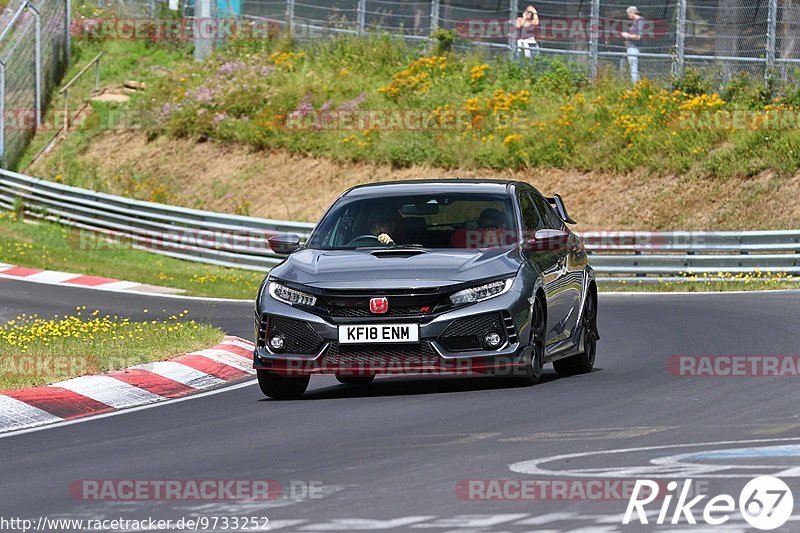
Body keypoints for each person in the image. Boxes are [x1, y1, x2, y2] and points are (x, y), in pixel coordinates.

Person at [621, 6, 645, 84]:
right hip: (630, 46)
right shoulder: (635, 22)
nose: (628, 16)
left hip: (634, 47)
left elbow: (638, 36)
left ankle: (634, 86)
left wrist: (627, 35)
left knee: (633, 67)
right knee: (630, 66)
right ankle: (637, 84)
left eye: (628, 14)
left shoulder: (639, 21)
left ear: (632, 12)